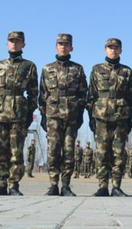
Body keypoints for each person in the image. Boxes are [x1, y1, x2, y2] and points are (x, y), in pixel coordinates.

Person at [0, 31, 38, 196]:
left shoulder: (29, 66)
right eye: (11, 41)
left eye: (17, 41)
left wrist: (29, 112)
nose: (14, 43)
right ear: (7, 44)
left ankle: (14, 184)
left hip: (18, 112)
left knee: (16, 150)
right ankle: (0, 183)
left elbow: (33, 93)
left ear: (23, 44)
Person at [39, 33, 87, 197]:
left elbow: (83, 93)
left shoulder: (77, 69)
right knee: (53, 150)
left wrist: (80, 114)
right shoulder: (47, 69)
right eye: (60, 44)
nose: (63, 47)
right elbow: (42, 94)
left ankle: (66, 185)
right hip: (53, 116)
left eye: (66, 44)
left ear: (71, 48)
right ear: (56, 47)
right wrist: (43, 115)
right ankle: (53, 184)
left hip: (71, 116)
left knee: (68, 151)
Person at [87, 38, 132, 197]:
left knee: (118, 153)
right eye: (110, 47)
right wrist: (91, 118)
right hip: (101, 118)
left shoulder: (126, 71)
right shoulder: (96, 69)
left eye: (116, 48)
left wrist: (129, 119)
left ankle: (116, 186)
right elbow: (91, 96)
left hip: (120, 118)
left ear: (120, 50)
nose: (113, 50)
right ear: (105, 50)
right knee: (101, 153)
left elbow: (131, 97)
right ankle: (102, 186)